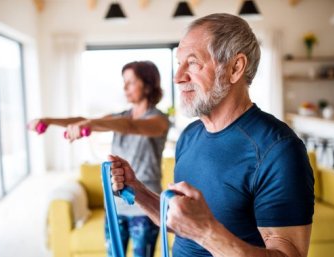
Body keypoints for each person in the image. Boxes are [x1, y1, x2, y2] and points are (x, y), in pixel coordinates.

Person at [109, 13, 315, 257]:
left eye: (193, 63)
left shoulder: (278, 150)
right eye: (179, 64)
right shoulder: (189, 136)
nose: (178, 77)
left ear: (235, 68)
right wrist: (138, 191)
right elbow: (181, 224)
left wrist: (207, 232)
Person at [28, 61, 170, 257]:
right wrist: (50, 121)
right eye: (124, 82)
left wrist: (92, 124)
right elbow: (83, 119)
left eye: (130, 82)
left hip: (145, 208)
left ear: (147, 84)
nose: (125, 87)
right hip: (115, 205)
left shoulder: (159, 120)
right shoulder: (119, 117)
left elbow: (131, 126)